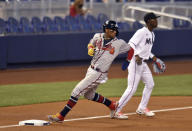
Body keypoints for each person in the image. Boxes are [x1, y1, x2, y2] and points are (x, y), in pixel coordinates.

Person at [47, 20, 134, 122]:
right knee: (89, 95)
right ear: (106, 29)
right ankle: (112, 105)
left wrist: (127, 61)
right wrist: (90, 48)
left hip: (100, 73)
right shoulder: (97, 36)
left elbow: (131, 50)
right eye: (112, 30)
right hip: (90, 69)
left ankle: (61, 116)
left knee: (76, 91)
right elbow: (90, 44)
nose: (115, 32)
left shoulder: (119, 43)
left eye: (116, 30)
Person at [111, 12, 166, 119]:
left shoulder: (152, 34)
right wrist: (136, 55)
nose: (157, 21)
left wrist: (154, 58)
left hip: (143, 63)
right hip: (135, 62)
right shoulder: (141, 32)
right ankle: (116, 110)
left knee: (150, 84)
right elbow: (131, 44)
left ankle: (142, 108)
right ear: (149, 21)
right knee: (132, 88)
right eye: (155, 19)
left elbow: (146, 50)